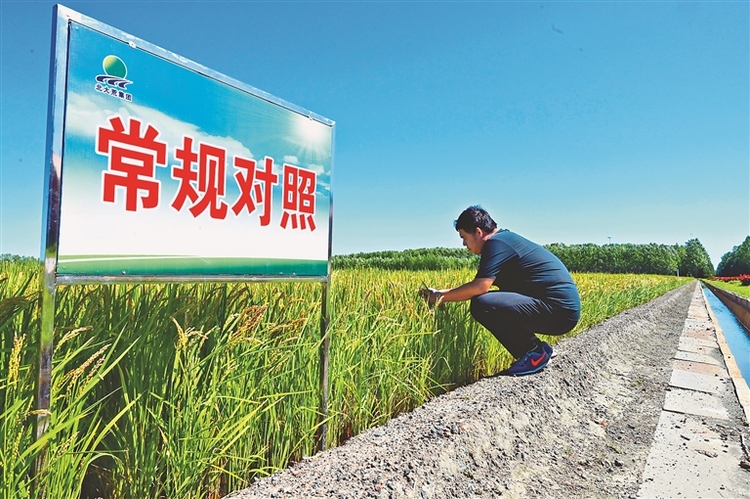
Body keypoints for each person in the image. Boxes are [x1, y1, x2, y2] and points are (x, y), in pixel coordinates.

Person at [419, 206, 580, 376]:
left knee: (482, 304)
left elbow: (480, 287)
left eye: (464, 237)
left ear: (478, 232)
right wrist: (440, 293)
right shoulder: (505, 240)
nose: (464, 244)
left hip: (559, 311)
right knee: (490, 301)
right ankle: (539, 349)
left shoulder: (497, 243)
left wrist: (440, 297)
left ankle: (534, 354)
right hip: (561, 311)